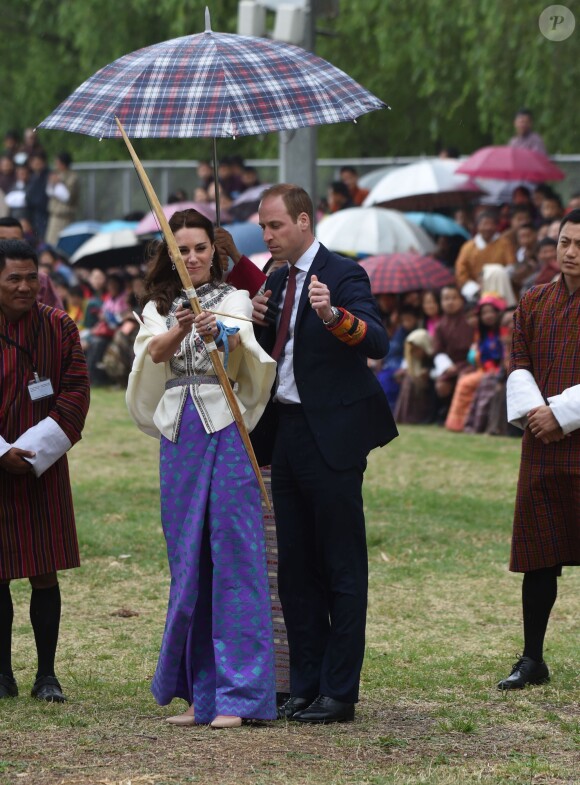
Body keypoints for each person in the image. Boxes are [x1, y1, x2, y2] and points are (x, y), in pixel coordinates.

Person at [251, 184, 398, 723]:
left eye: (275, 226)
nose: (267, 236)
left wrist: (334, 314)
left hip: (332, 436)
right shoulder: (270, 280)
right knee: (294, 567)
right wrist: (258, 321)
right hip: (285, 431)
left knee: (340, 566)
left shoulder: (343, 274)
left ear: (305, 221)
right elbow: (272, 358)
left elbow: (377, 342)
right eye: (264, 227)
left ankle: (340, 692)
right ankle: (304, 685)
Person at [126, 208, 277, 728]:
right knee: (189, 561)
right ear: (171, 254)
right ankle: (200, 695)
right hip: (179, 436)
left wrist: (220, 333)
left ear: (215, 251)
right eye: (181, 250)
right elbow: (153, 353)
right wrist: (181, 325)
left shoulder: (233, 298)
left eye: (199, 248)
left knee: (234, 554)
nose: (191, 257)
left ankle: (241, 696)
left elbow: (241, 350)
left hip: (224, 429)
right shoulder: (157, 307)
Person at [0, 239, 90, 702]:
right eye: (12, 277)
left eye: (29, 277)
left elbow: (76, 390)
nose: (22, 286)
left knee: (44, 571)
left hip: (43, 463)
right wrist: (1, 452)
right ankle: (2, 675)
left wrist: (35, 449)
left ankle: (47, 675)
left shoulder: (58, 327)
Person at [499, 209, 580, 690]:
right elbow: (519, 362)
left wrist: (564, 415)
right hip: (541, 441)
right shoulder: (534, 300)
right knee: (538, 554)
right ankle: (532, 658)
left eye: (579, 244)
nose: (571, 253)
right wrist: (539, 415)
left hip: (569, 432)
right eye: (566, 242)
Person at [0, 217, 64, 309]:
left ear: (24, 242)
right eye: (2, 240)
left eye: (14, 240)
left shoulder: (42, 280)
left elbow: (57, 318)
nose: (8, 245)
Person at [455, 211, 516, 292]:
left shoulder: (505, 244)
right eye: (484, 224)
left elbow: (511, 266)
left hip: (501, 286)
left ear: (496, 226)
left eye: (491, 224)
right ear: (478, 226)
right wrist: (474, 287)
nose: (488, 228)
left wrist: (493, 280)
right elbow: (461, 272)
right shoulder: (467, 247)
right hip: (476, 289)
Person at [45, 152, 80, 248]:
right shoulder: (56, 174)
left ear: (63, 164)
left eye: (57, 162)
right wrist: (52, 183)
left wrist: (58, 183)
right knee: (51, 243)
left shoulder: (73, 177)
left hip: (65, 217)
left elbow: (67, 197)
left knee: (62, 245)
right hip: (54, 216)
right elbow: (49, 192)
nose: (56, 165)